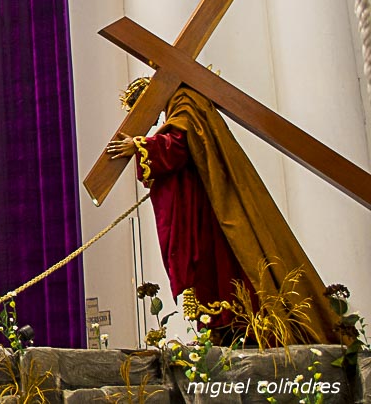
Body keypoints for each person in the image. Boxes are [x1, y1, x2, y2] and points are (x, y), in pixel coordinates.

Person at [107, 80, 338, 344]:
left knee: (225, 264)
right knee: (211, 269)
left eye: (143, 111)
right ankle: (222, 329)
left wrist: (140, 146)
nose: (150, 121)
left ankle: (240, 328)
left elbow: (180, 145)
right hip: (203, 202)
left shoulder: (185, 103)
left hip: (214, 206)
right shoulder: (180, 105)